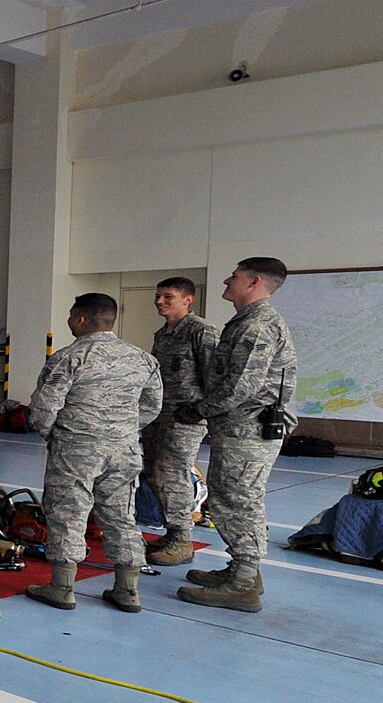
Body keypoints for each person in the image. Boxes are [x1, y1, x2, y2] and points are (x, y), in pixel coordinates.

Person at [24, 293, 162, 613]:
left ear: (81, 319)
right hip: (125, 449)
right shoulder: (142, 359)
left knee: (68, 512)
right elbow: (152, 407)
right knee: (121, 515)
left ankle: (61, 587)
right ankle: (127, 590)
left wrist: (53, 434)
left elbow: (42, 412)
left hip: (76, 449)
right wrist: (121, 429)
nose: (70, 320)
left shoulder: (69, 357)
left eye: (72, 315)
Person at [175, 257, 298, 613]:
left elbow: (239, 388)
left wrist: (197, 410)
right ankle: (243, 572)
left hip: (247, 429)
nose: (228, 280)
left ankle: (242, 585)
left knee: (237, 500)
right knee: (235, 496)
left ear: (254, 281)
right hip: (240, 427)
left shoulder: (257, 325)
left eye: (236, 276)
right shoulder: (247, 321)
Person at [142, 277, 219, 566]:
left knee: (172, 472)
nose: (160, 301)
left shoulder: (201, 331)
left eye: (168, 296)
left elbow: (215, 376)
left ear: (188, 300)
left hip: (186, 416)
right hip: (158, 413)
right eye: (158, 295)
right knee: (154, 471)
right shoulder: (163, 334)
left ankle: (181, 538)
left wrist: (202, 411)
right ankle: (171, 529)